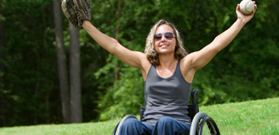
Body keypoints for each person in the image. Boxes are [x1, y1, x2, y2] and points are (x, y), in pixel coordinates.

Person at [62, 1, 257, 134]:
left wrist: (240, 21)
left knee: (165, 123)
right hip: (148, 128)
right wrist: (85, 23)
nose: (163, 39)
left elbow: (215, 45)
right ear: (153, 42)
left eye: (168, 35)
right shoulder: (145, 63)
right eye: (158, 36)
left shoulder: (187, 64)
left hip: (177, 128)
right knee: (129, 124)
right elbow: (114, 46)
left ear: (175, 40)